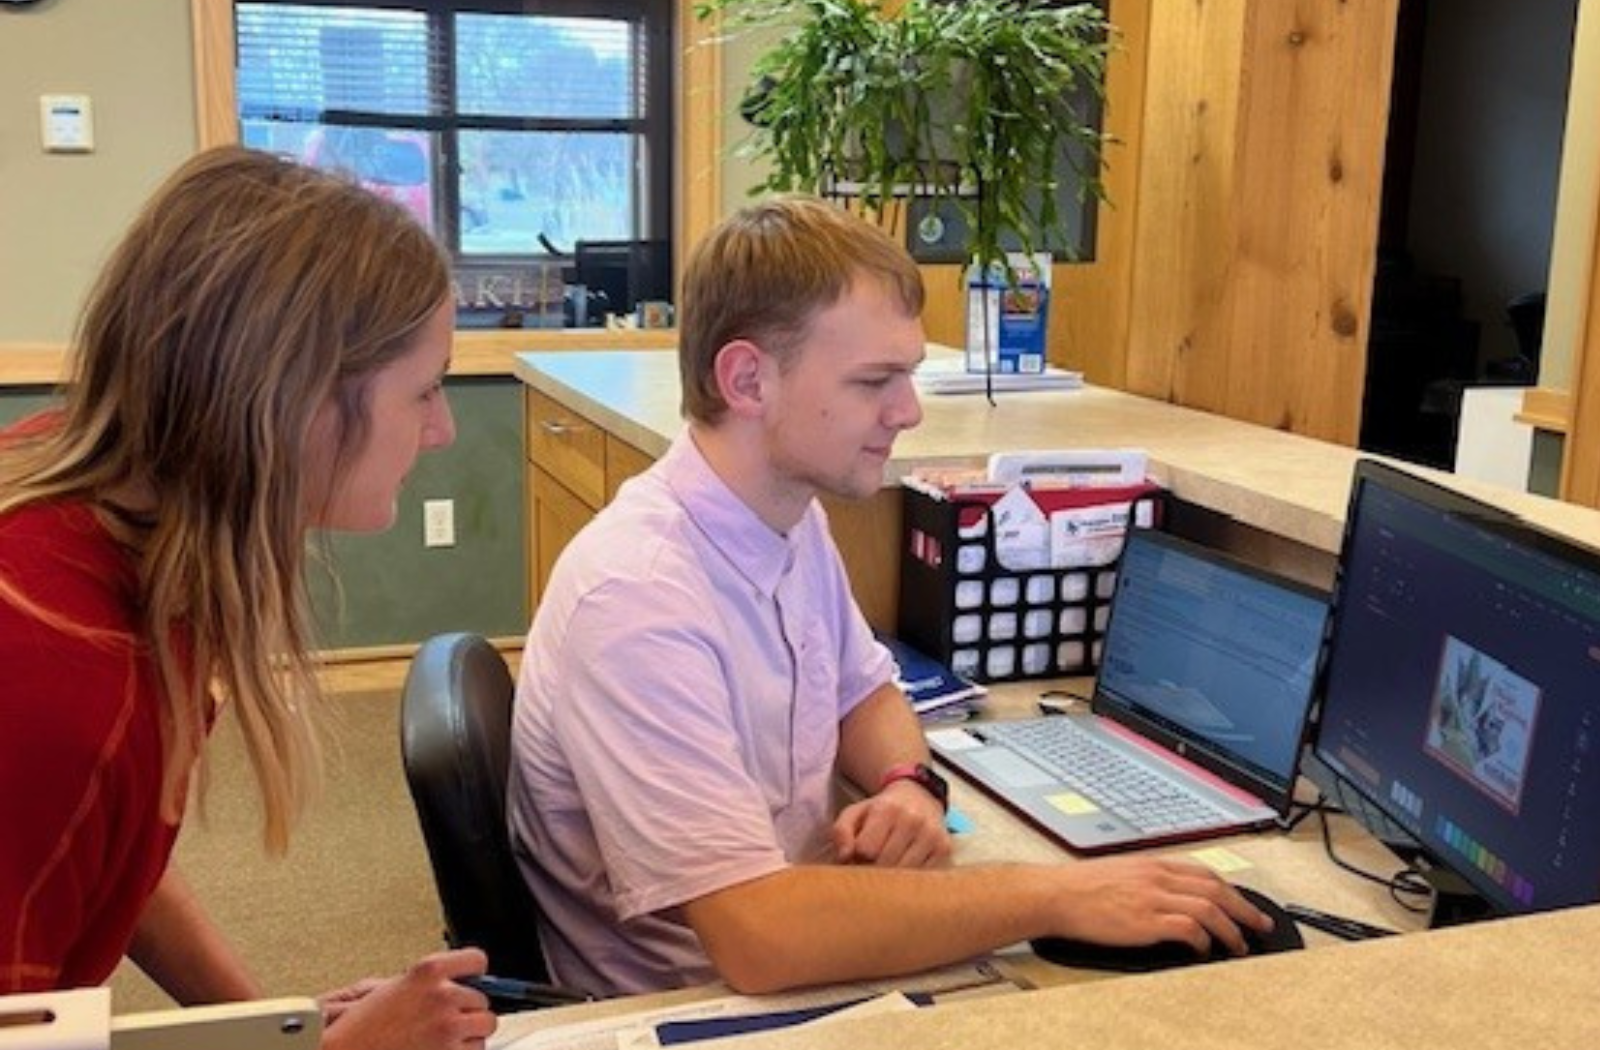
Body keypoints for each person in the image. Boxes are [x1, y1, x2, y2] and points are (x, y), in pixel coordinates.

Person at [506, 194, 1273, 998]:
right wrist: (1051, 896)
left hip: (788, 946)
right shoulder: (638, 597)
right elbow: (757, 937)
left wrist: (909, 781)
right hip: (707, 999)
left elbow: (864, 688)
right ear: (746, 379)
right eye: (876, 380)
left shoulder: (786, 516)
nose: (906, 412)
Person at [0, 146, 495, 1049]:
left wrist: (275, 1029)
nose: (441, 429)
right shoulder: (58, 681)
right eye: (423, 390)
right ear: (297, 405)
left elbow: (117, 855)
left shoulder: (115, 516)